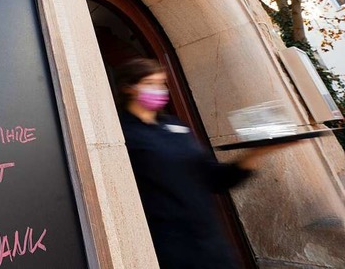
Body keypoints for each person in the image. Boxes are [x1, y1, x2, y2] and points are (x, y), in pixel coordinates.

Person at [116, 58, 273, 269]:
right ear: (129, 87)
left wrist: (259, 151)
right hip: (167, 246)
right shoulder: (122, 133)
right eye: (150, 84)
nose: (159, 90)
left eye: (162, 84)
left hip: (210, 242)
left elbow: (215, 179)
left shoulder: (174, 125)